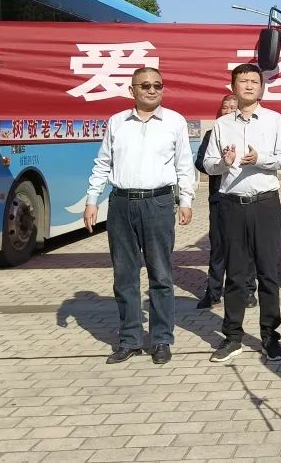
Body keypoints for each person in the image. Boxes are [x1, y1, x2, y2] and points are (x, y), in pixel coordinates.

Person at [82, 66, 195, 365]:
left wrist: (186, 200)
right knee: (124, 276)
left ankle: (161, 339)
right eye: (145, 85)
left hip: (158, 204)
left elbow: (184, 165)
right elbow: (102, 163)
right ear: (132, 90)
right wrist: (92, 200)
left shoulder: (175, 122)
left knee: (161, 275)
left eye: (157, 85)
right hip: (121, 203)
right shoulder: (117, 122)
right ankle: (129, 340)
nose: (152, 90)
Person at [201, 63, 281, 363]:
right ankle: (233, 337)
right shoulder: (221, 124)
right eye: (243, 81)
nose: (249, 86)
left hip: (265, 204)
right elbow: (208, 164)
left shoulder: (274, 120)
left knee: (268, 273)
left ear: (261, 87)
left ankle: (270, 336)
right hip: (232, 205)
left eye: (254, 81)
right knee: (236, 274)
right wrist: (224, 163)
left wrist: (260, 159)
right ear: (233, 87)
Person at [195, 94, 257, 310]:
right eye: (225, 107)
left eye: (233, 107)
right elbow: (200, 162)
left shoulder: (249, 132)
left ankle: (248, 291)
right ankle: (213, 292)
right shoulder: (212, 134)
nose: (229, 111)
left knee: (245, 246)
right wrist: (219, 163)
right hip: (219, 198)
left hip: (244, 197)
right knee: (218, 246)